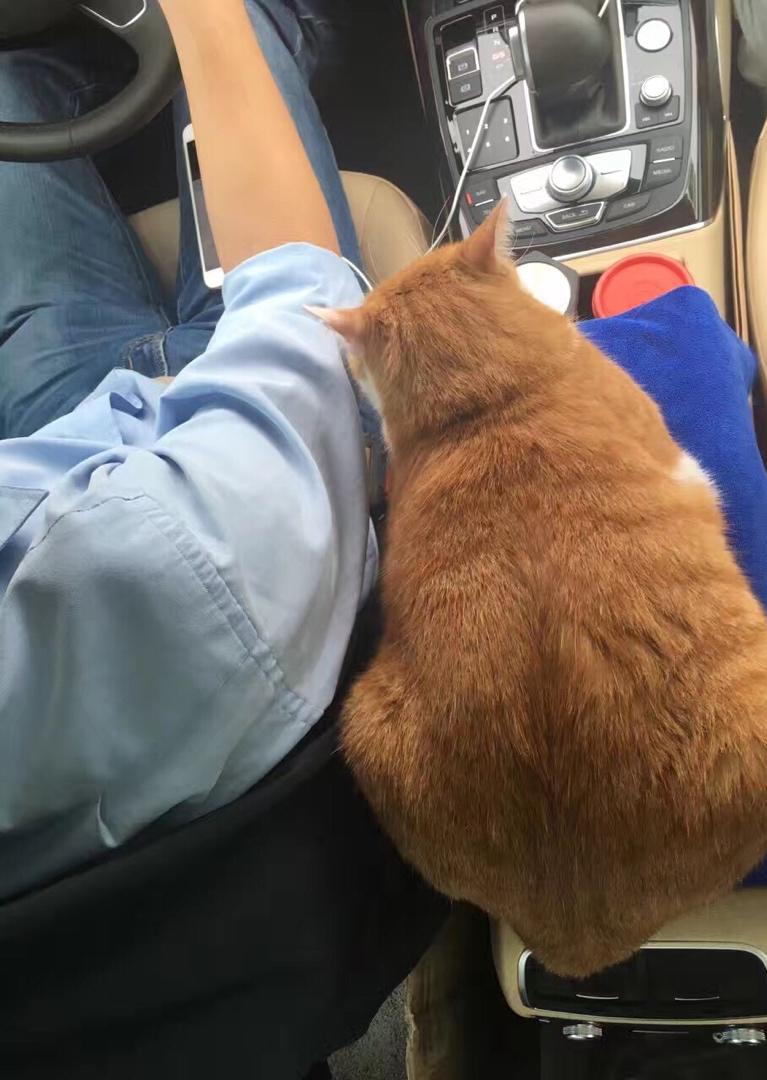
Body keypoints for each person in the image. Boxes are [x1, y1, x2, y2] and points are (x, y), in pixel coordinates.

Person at [0, 0, 377, 899]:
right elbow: (301, 330)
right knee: (249, 17)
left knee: (11, 86)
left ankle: (105, 63)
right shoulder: (162, 582)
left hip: (70, 436)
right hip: (258, 460)